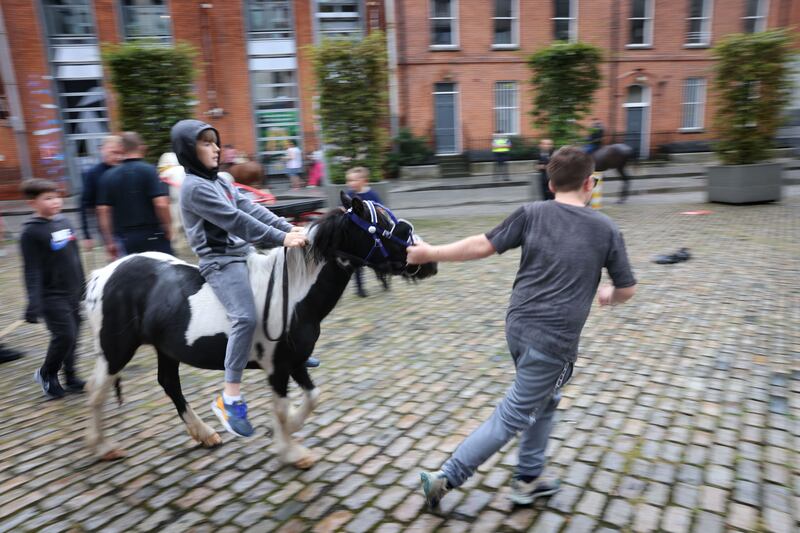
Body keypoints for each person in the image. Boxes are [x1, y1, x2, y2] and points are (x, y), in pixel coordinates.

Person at [408, 146, 637, 509]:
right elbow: (627, 288)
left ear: (550, 184)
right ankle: (447, 476)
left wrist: (430, 252)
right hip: (552, 341)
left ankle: (528, 478)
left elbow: (481, 246)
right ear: (590, 184)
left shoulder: (531, 213)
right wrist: (609, 293)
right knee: (515, 412)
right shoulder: (605, 228)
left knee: (545, 400)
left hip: (517, 328)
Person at [171, 119, 308, 438]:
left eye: (215, 141)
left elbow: (251, 208)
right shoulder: (193, 188)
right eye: (206, 143)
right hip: (220, 262)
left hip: (244, 254)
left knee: (281, 293)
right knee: (245, 317)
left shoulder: (221, 180)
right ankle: (229, 398)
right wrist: (280, 238)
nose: (216, 148)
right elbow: (235, 220)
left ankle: (289, 351)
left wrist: (288, 227)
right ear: (189, 151)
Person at [19, 179, 86, 399]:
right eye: (47, 198)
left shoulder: (65, 222)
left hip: (72, 291)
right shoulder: (30, 233)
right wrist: (34, 302)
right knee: (64, 335)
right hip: (51, 296)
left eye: (56, 196)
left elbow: (75, 256)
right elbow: (32, 270)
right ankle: (47, 373)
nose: (55, 201)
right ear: (32, 203)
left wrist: (83, 285)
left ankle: (71, 376)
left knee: (74, 334)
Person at [97, 132, 173, 260]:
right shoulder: (150, 171)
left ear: (122, 150)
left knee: (132, 277)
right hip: (153, 236)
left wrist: (109, 241)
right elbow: (161, 203)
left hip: (124, 239)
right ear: (142, 147)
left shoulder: (108, 176)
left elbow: (103, 211)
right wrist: (168, 227)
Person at [344, 166, 388, 299]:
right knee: (357, 262)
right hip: (357, 236)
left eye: (354, 180)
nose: (350, 183)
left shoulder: (371, 195)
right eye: (349, 181)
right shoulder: (349, 195)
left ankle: (382, 277)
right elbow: (344, 211)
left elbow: (381, 210)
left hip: (371, 235)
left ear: (364, 181)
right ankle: (359, 288)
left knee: (376, 260)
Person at [80, 135, 122, 251]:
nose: (118, 157)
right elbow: (85, 204)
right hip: (109, 229)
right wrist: (87, 234)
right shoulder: (93, 174)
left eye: (120, 153)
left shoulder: (127, 169)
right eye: (113, 152)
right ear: (102, 150)